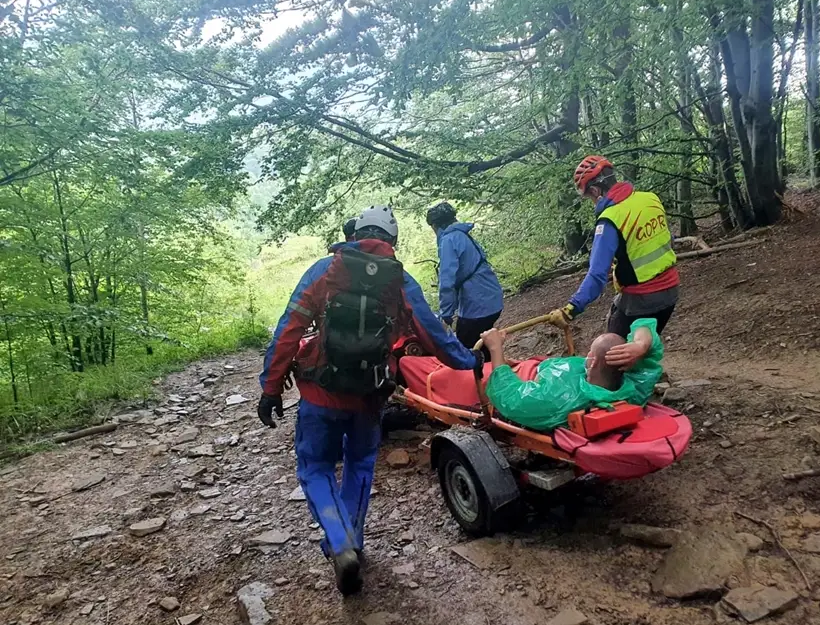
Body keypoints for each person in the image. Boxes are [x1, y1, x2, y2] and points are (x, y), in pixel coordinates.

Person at [257, 205, 478, 596]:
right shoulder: (399, 279)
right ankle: (353, 540)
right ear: (391, 241)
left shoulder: (325, 271)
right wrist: (470, 363)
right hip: (369, 396)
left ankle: (339, 544)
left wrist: (271, 387)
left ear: (355, 234)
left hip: (320, 394)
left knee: (315, 467)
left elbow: (288, 328)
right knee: (360, 464)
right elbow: (432, 335)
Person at [550, 156, 679, 338]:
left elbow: (596, 275)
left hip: (642, 299)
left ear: (595, 191)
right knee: (643, 343)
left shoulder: (610, 219)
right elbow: (667, 241)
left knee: (610, 355)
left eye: (589, 198)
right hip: (671, 291)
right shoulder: (650, 198)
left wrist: (570, 309)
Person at [478, 318, 664, 432]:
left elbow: (508, 395)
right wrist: (640, 346)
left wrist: (495, 349)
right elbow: (644, 325)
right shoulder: (633, 389)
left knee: (461, 376)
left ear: (592, 362)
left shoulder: (557, 399)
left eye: (590, 353)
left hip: (516, 376)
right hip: (530, 368)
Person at [426, 200, 504, 348]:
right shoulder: (462, 235)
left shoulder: (448, 240)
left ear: (435, 226)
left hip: (478, 305)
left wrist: (446, 314)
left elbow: (447, 281)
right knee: (485, 344)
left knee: (467, 347)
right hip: (492, 298)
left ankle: (483, 369)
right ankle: (495, 366)